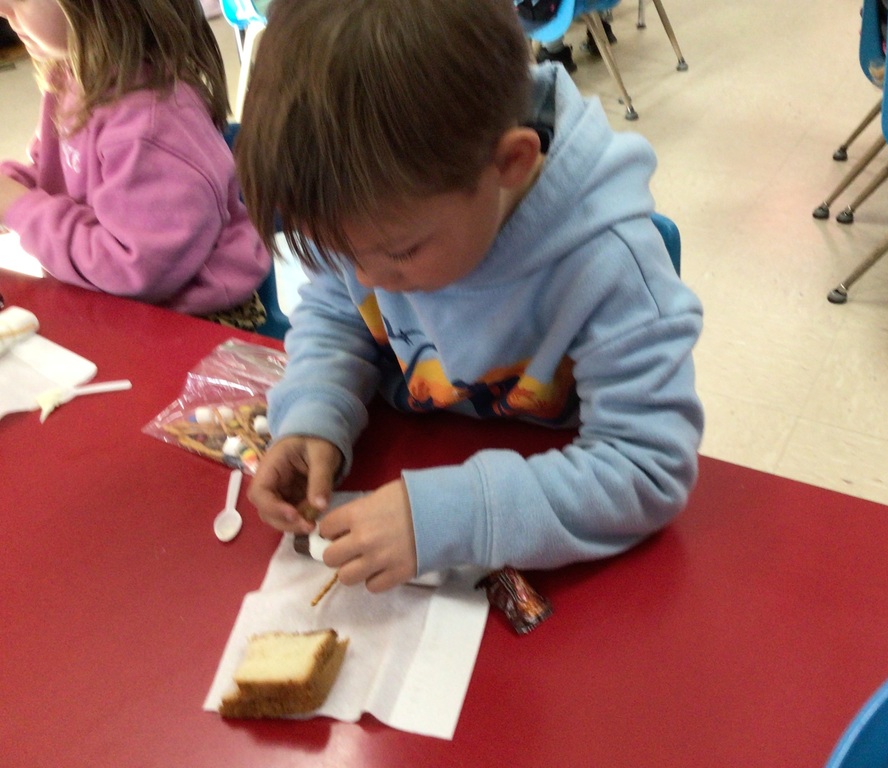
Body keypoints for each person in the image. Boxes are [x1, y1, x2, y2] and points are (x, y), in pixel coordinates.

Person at [236, 0, 704, 593]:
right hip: (416, 465)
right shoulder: (377, 219)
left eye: (401, 254)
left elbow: (647, 467)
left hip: (556, 534)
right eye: (339, 250)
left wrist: (455, 516)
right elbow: (337, 311)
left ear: (510, 162)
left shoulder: (608, 260)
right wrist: (312, 415)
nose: (369, 279)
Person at [0, 0, 270, 329]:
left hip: (193, 322)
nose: (2, 8)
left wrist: (20, 208)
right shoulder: (73, 72)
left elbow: (136, 271)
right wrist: (12, 184)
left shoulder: (153, 125)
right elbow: (52, 169)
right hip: (112, 298)